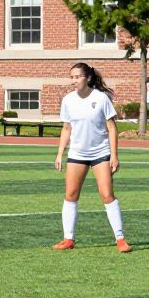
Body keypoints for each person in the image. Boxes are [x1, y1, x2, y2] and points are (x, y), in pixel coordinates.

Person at [53, 62, 130, 253]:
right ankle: (68, 239)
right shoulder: (68, 100)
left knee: (106, 195)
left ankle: (120, 239)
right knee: (70, 195)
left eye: (78, 76)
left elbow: (112, 128)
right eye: (72, 77)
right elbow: (66, 128)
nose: (74, 80)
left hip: (100, 153)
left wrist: (114, 155)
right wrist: (60, 153)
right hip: (77, 154)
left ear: (87, 78)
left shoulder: (101, 98)